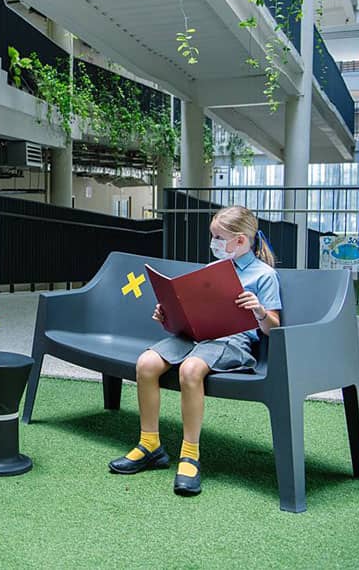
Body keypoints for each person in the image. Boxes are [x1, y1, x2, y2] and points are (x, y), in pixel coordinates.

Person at [109, 205, 281, 497]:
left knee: (191, 370)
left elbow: (273, 328)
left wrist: (260, 310)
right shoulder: (211, 271)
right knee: (147, 362)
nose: (213, 243)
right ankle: (150, 445)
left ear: (240, 240)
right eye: (212, 236)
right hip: (196, 336)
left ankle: (190, 455)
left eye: (218, 237)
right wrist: (168, 317)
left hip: (234, 342)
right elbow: (191, 316)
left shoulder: (264, 276)